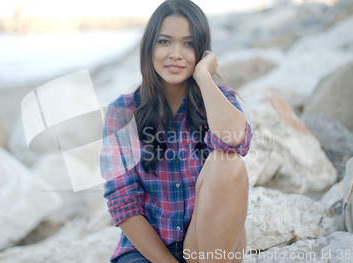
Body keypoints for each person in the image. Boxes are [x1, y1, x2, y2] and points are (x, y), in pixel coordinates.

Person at [99, 0, 253, 262]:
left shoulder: (219, 99)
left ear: (203, 52)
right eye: (165, 41)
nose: (176, 54)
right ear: (149, 47)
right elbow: (122, 201)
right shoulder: (122, 112)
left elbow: (237, 141)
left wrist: (204, 77)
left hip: (209, 244)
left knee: (227, 162)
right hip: (147, 253)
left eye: (189, 43)